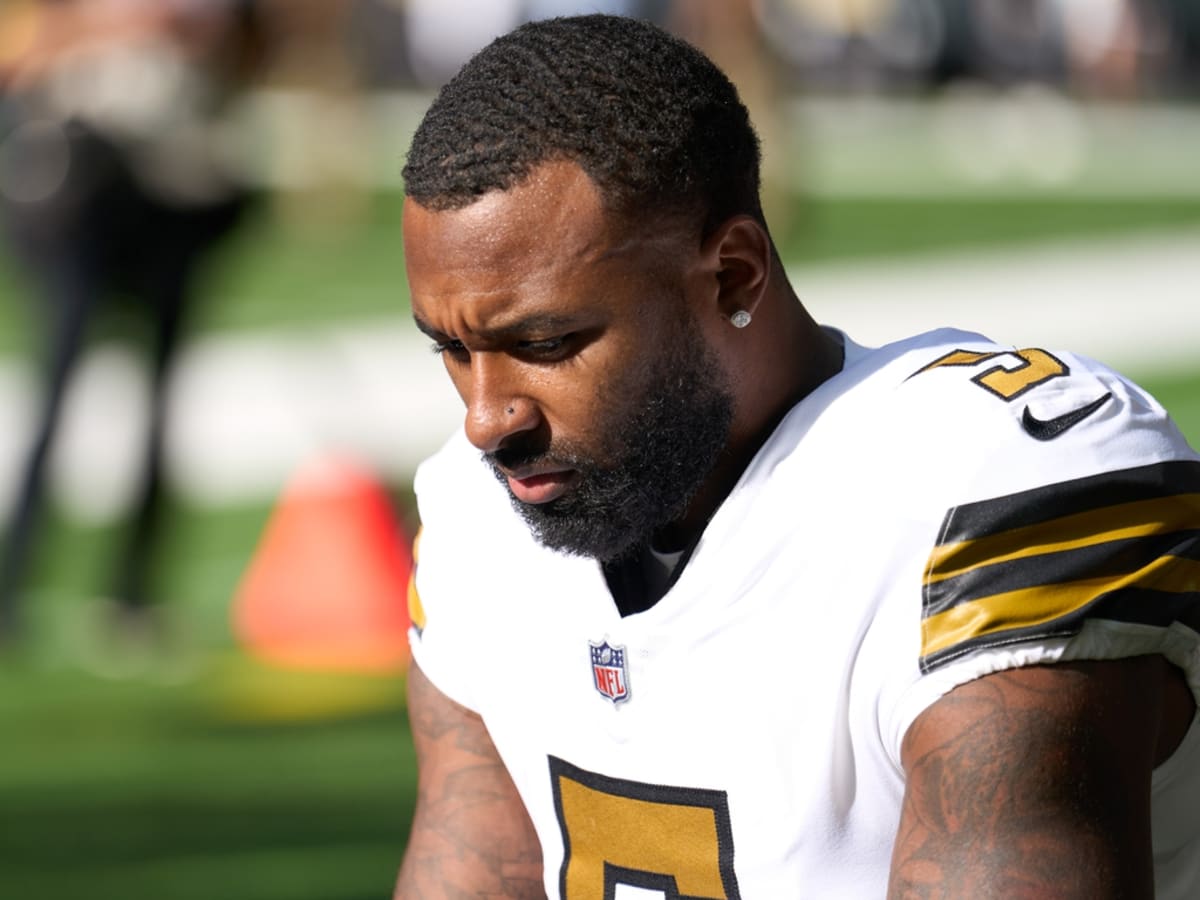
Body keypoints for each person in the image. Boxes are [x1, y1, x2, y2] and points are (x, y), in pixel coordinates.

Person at [393, 14, 1200, 899]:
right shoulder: (475, 518)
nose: (484, 418)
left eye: (545, 341)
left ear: (734, 275)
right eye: (451, 349)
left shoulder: (981, 490)